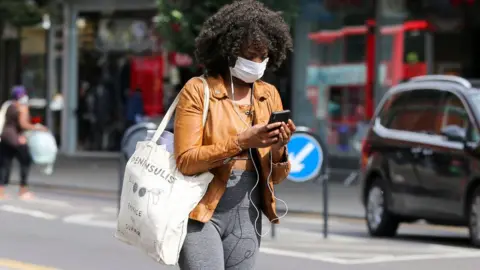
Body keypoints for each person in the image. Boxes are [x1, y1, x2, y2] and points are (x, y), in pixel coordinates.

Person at [174, 1, 295, 269]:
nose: (257, 63)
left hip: (247, 215)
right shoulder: (199, 90)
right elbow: (186, 160)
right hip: (200, 211)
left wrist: (279, 147)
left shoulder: (268, 95)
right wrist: (242, 141)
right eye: (250, 55)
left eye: (262, 56)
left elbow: (276, 177)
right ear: (229, 51)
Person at [0, 86, 47, 200]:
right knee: (25, 161)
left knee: (4, 165)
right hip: (16, 139)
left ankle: (1, 192)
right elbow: (23, 124)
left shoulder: (8, 105)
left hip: (4, 137)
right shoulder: (22, 107)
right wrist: (38, 127)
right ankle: (23, 189)